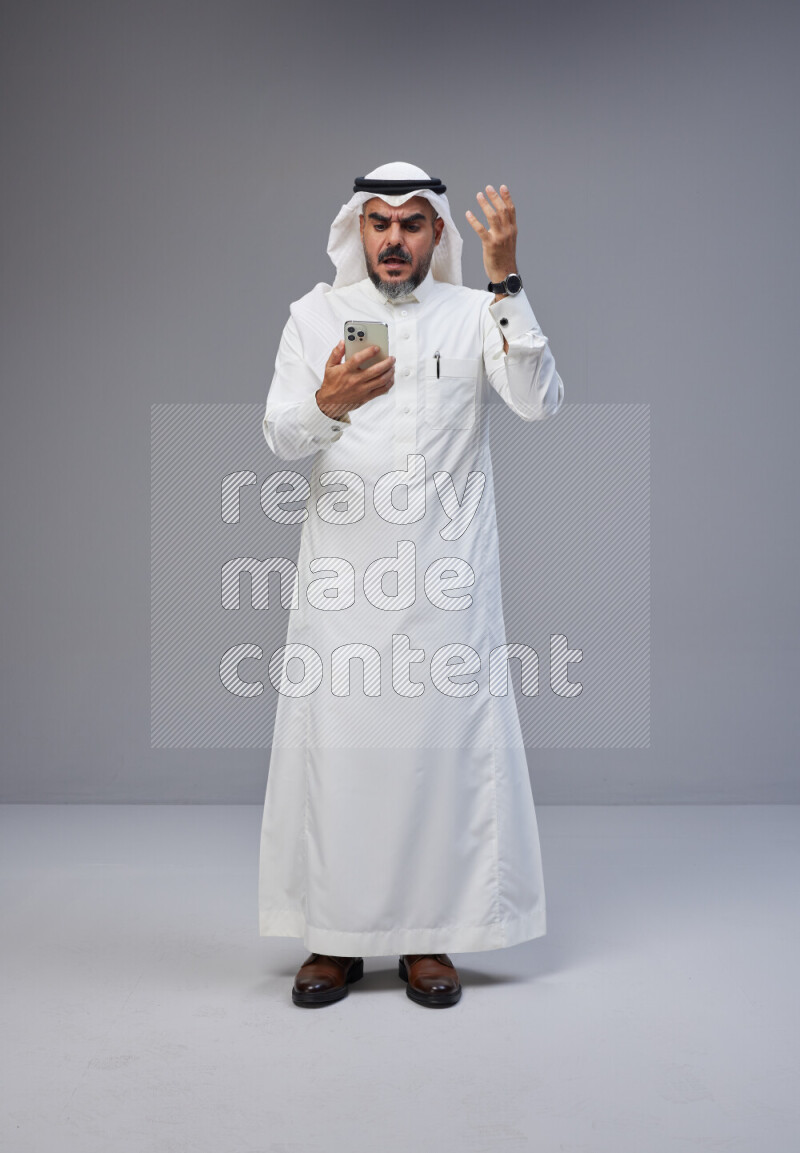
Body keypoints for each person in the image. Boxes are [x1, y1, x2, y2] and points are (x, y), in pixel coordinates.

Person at [258, 161, 564, 1008]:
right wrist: (326, 402)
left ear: (436, 233)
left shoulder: (474, 312)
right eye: (380, 221)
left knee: (440, 759)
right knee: (342, 758)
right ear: (358, 228)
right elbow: (281, 437)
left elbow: (539, 401)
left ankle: (429, 936)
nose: (394, 238)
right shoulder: (313, 315)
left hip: (445, 585)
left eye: (412, 222)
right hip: (344, 586)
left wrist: (507, 281)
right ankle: (334, 939)